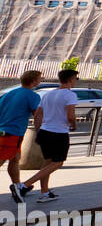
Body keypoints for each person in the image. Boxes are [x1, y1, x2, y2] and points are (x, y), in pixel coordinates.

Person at [13, 68, 80, 203]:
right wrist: (74, 125)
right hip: (59, 133)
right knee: (58, 162)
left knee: (48, 162)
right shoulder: (70, 95)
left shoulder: (48, 94)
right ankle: (23, 186)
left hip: (45, 131)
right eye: (76, 78)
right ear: (70, 79)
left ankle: (45, 192)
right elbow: (70, 115)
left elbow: (38, 115)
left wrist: (39, 132)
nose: (76, 81)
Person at [4, 70, 43, 203]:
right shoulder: (32, 96)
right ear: (34, 82)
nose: (40, 81)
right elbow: (37, 115)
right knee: (4, 159)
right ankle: (17, 188)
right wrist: (40, 132)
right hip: (12, 133)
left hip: (5, 131)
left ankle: (18, 186)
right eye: (39, 79)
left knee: (15, 159)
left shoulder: (9, 93)